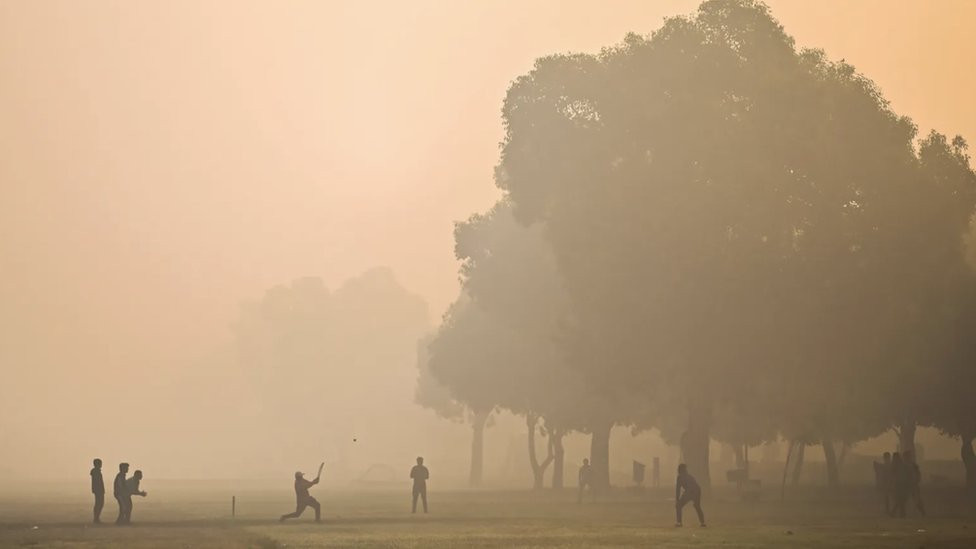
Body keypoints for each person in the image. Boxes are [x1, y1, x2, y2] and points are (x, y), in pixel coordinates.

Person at [903, 451, 926, 517]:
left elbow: (918, 475)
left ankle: (922, 512)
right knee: (905, 499)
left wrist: (916, 481)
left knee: (917, 499)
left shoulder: (913, 465)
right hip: (908, 485)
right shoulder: (906, 466)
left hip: (912, 485)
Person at [890, 452, 909, 518]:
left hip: (900, 484)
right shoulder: (899, 465)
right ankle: (900, 513)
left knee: (900, 500)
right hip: (899, 484)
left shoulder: (896, 465)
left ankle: (897, 513)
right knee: (900, 500)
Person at [90, 458, 105, 524]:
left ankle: (96, 518)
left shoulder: (96, 471)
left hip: (98, 490)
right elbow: (97, 482)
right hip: (98, 490)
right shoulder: (96, 472)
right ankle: (96, 518)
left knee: (99, 503)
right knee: (99, 503)